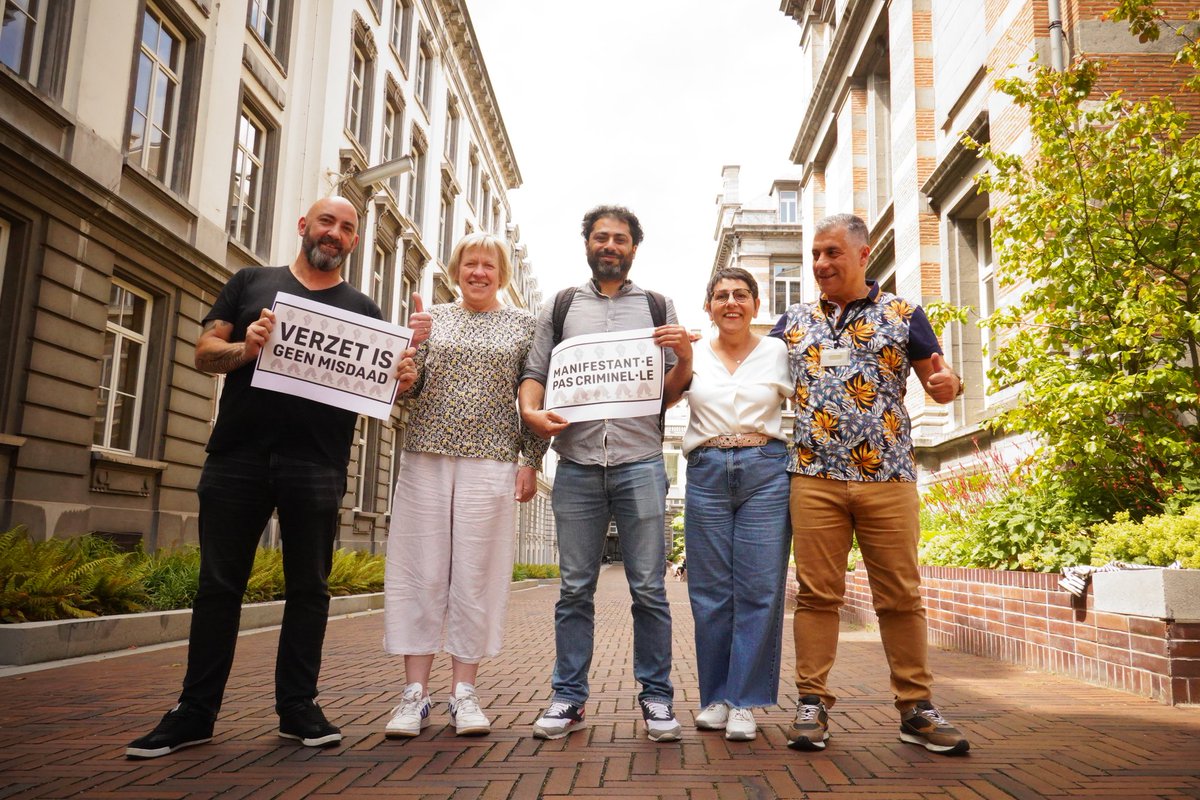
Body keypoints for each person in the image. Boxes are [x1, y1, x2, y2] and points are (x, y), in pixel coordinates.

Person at [125, 196, 429, 759]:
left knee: (309, 589)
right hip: (237, 456)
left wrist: (403, 376)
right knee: (219, 587)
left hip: (316, 463)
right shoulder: (250, 282)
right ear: (304, 226)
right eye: (326, 222)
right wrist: (249, 346)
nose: (334, 233)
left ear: (355, 242)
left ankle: (298, 707)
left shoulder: (362, 310)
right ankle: (194, 711)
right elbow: (204, 351)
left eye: (346, 228)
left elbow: (382, 388)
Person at [770, 213, 970, 756]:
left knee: (901, 596)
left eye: (832, 253)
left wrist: (950, 383)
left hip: (888, 477)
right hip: (813, 477)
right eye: (815, 254)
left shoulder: (903, 314)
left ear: (863, 254)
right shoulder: (792, 321)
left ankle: (916, 708)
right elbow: (744, 371)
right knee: (816, 596)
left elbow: (940, 381)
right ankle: (811, 703)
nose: (820, 264)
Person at [518, 205, 694, 742]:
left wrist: (684, 358)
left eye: (620, 238)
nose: (610, 245)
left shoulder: (658, 306)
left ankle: (657, 699)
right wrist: (530, 412)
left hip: (641, 461)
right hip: (575, 464)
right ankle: (568, 698)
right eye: (601, 237)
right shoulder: (561, 306)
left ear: (634, 247)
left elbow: (668, 391)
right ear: (588, 244)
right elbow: (535, 373)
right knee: (574, 589)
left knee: (649, 589)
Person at [381, 232, 548, 738]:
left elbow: (535, 395)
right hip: (426, 455)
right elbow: (408, 389)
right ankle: (414, 694)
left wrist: (531, 460)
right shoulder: (431, 319)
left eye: (488, 265)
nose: (479, 272)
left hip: (492, 460)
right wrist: (406, 366)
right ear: (456, 270)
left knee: (477, 573)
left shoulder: (526, 325)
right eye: (470, 263)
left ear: (502, 274)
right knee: (419, 570)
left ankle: (464, 692)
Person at [683, 267, 792, 742]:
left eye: (741, 295)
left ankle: (745, 701)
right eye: (722, 295)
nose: (731, 302)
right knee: (709, 593)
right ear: (708, 305)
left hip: (765, 469)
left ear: (755, 303)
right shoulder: (690, 354)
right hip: (706, 469)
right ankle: (716, 697)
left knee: (760, 588)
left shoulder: (777, 350)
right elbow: (659, 396)